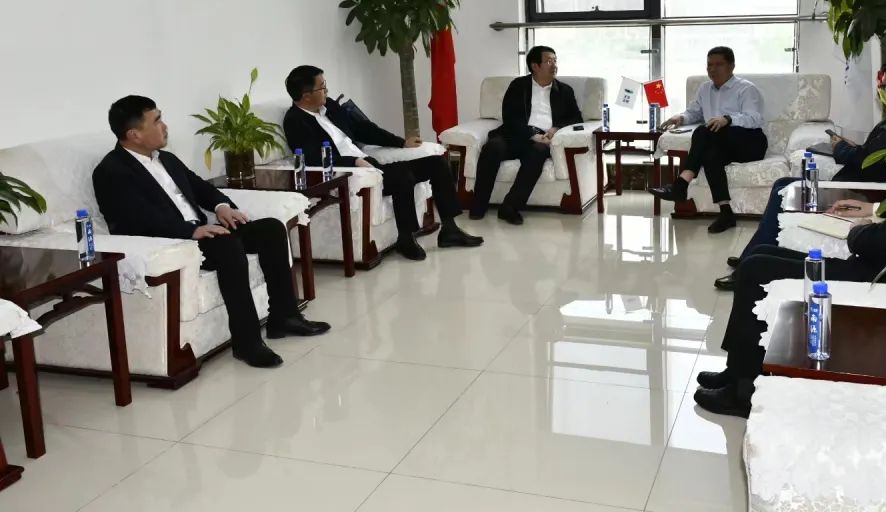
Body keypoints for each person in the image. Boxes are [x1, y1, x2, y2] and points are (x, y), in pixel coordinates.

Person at [694, 87, 886, 417]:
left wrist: (858, 229)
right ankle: (737, 370)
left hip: (884, 280)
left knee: (756, 269)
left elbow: (880, 242)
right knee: (759, 253)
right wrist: (875, 209)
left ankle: (744, 390)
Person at [93, 96, 330, 369]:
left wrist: (221, 206)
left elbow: (200, 187)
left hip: (203, 231)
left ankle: (284, 317)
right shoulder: (111, 171)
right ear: (134, 134)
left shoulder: (165, 159)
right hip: (173, 242)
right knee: (228, 246)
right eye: (156, 121)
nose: (165, 126)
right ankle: (247, 343)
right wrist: (191, 230)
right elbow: (135, 220)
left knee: (271, 229)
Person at [717, 54, 886, 286]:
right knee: (783, 186)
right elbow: (878, 156)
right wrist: (855, 147)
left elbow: (870, 162)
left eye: (885, 86)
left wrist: (841, 149)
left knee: (782, 190)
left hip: (861, 193)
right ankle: (752, 257)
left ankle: (749, 267)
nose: (882, 93)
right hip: (862, 186)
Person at [283, 65, 482, 262]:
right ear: (306, 96)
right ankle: (406, 238)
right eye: (322, 87)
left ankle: (450, 230)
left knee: (437, 164)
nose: (327, 90)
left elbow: (364, 129)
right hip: (352, 172)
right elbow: (312, 158)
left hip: (370, 164)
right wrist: (354, 161)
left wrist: (401, 142)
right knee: (402, 176)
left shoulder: (331, 107)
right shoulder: (295, 121)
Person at [648, 46, 767, 233]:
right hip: (720, 142)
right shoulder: (705, 89)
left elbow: (754, 118)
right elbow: (694, 112)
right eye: (709, 65)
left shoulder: (746, 89)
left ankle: (681, 185)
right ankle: (726, 213)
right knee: (711, 155)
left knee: (703, 131)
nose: (713, 69)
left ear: (731, 66)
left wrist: (727, 119)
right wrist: (680, 118)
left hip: (750, 142)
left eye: (719, 64)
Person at [469, 46, 583, 225]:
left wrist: (555, 129)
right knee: (492, 147)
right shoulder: (518, 86)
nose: (554, 65)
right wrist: (531, 134)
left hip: (542, 139)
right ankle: (478, 205)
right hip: (514, 134)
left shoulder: (564, 91)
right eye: (549, 61)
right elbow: (509, 117)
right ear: (535, 66)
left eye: (555, 61)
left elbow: (576, 118)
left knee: (538, 152)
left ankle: (510, 208)